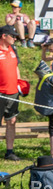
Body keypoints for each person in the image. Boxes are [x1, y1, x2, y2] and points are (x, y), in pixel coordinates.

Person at [0, 25, 24, 160]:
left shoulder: (12, 49)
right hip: (0, 93)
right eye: (13, 36)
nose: (15, 38)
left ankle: (9, 151)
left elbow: (15, 67)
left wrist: (19, 84)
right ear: (4, 36)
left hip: (13, 92)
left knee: (12, 121)